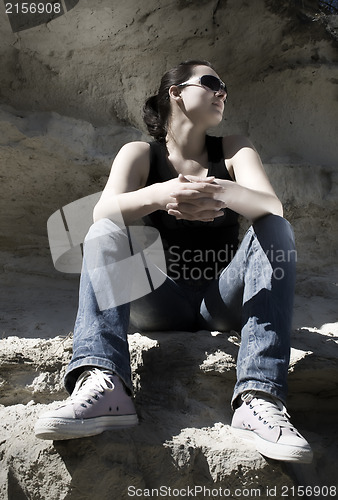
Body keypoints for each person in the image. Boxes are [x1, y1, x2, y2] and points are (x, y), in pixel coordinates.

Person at [35, 59, 313, 463]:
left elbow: (272, 205)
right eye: (213, 82)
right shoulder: (140, 153)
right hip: (159, 300)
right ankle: (105, 383)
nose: (222, 92)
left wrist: (221, 192)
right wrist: (163, 195)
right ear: (176, 92)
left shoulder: (234, 148)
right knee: (105, 230)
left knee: (274, 228)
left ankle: (260, 397)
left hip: (221, 301)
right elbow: (101, 212)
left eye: (225, 88)